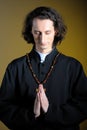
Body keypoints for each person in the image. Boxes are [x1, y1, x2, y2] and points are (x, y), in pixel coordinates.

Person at [0, 6, 87, 130]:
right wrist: (31, 115)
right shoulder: (15, 67)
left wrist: (50, 111)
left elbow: (84, 104)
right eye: (37, 32)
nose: (42, 40)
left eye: (47, 32)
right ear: (31, 31)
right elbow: (3, 106)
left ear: (56, 31)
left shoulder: (73, 66)